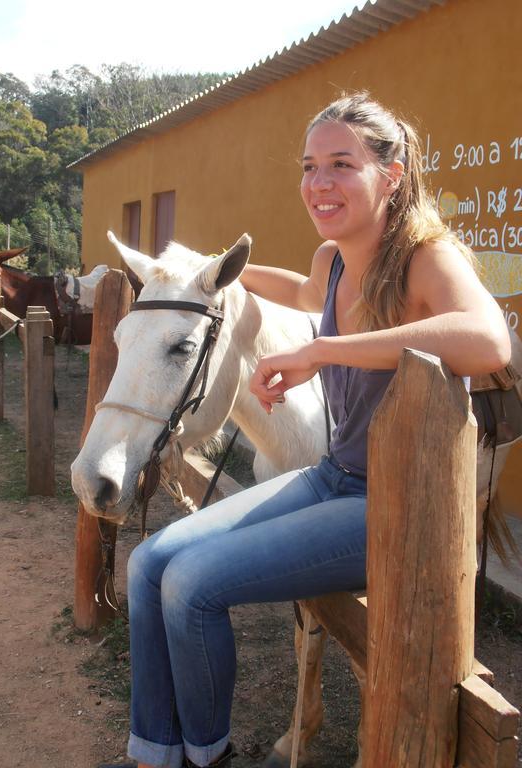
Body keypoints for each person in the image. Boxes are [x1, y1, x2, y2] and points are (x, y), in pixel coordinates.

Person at [99, 92, 510, 768]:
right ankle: (158, 751)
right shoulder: (334, 261)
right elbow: (297, 289)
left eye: (342, 164)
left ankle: (208, 757)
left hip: (394, 504)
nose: (319, 182)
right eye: (310, 164)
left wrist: (321, 351)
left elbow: (488, 340)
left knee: (191, 584)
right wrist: (203, 267)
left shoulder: (425, 259)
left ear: (392, 173)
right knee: (148, 566)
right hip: (332, 478)